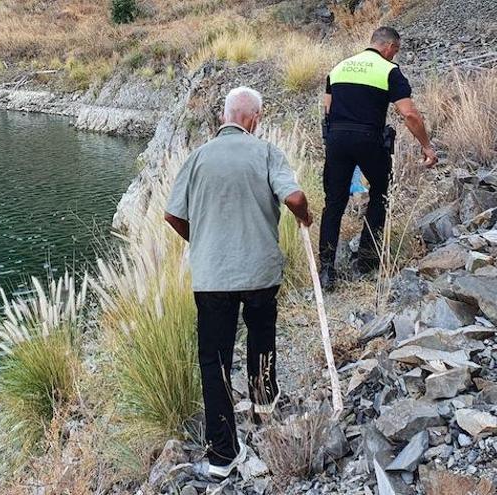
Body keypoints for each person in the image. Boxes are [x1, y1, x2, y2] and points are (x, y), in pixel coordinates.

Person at [164, 87, 313, 478]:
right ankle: (265, 407)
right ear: (255, 118)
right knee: (261, 338)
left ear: (224, 117)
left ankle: (222, 454)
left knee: (214, 361)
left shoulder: (196, 159)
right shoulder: (265, 152)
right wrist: (305, 215)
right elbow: (294, 197)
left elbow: (172, 216)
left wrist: (202, 242)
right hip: (260, 271)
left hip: (213, 276)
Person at [319, 26, 438, 291]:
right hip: (368, 139)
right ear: (389, 47)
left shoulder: (339, 68)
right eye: (395, 51)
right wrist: (426, 146)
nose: (394, 56)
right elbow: (410, 115)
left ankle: (326, 270)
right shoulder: (388, 70)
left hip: (337, 138)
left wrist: (332, 142)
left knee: (334, 203)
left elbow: (327, 110)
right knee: (382, 192)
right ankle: (366, 261)